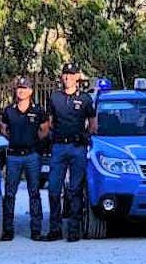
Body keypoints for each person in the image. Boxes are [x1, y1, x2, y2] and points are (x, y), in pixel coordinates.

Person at [43, 62, 96, 242]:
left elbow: (93, 124)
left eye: (71, 74)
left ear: (77, 78)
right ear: (62, 76)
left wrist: (83, 137)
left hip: (77, 148)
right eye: (65, 74)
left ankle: (74, 229)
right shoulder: (55, 98)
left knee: (75, 190)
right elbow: (50, 122)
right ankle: (55, 228)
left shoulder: (86, 99)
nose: (67, 77)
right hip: (58, 147)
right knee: (53, 189)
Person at [0, 76, 49, 241]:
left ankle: (36, 230)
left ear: (31, 91)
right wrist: (17, 140)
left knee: (34, 192)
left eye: (25, 88)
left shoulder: (38, 111)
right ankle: (8, 230)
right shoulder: (8, 110)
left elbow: (44, 131)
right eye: (19, 88)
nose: (21, 90)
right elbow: (4, 130)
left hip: (32, 156)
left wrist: (32, 143)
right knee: (10, 194)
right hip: (13, 156)